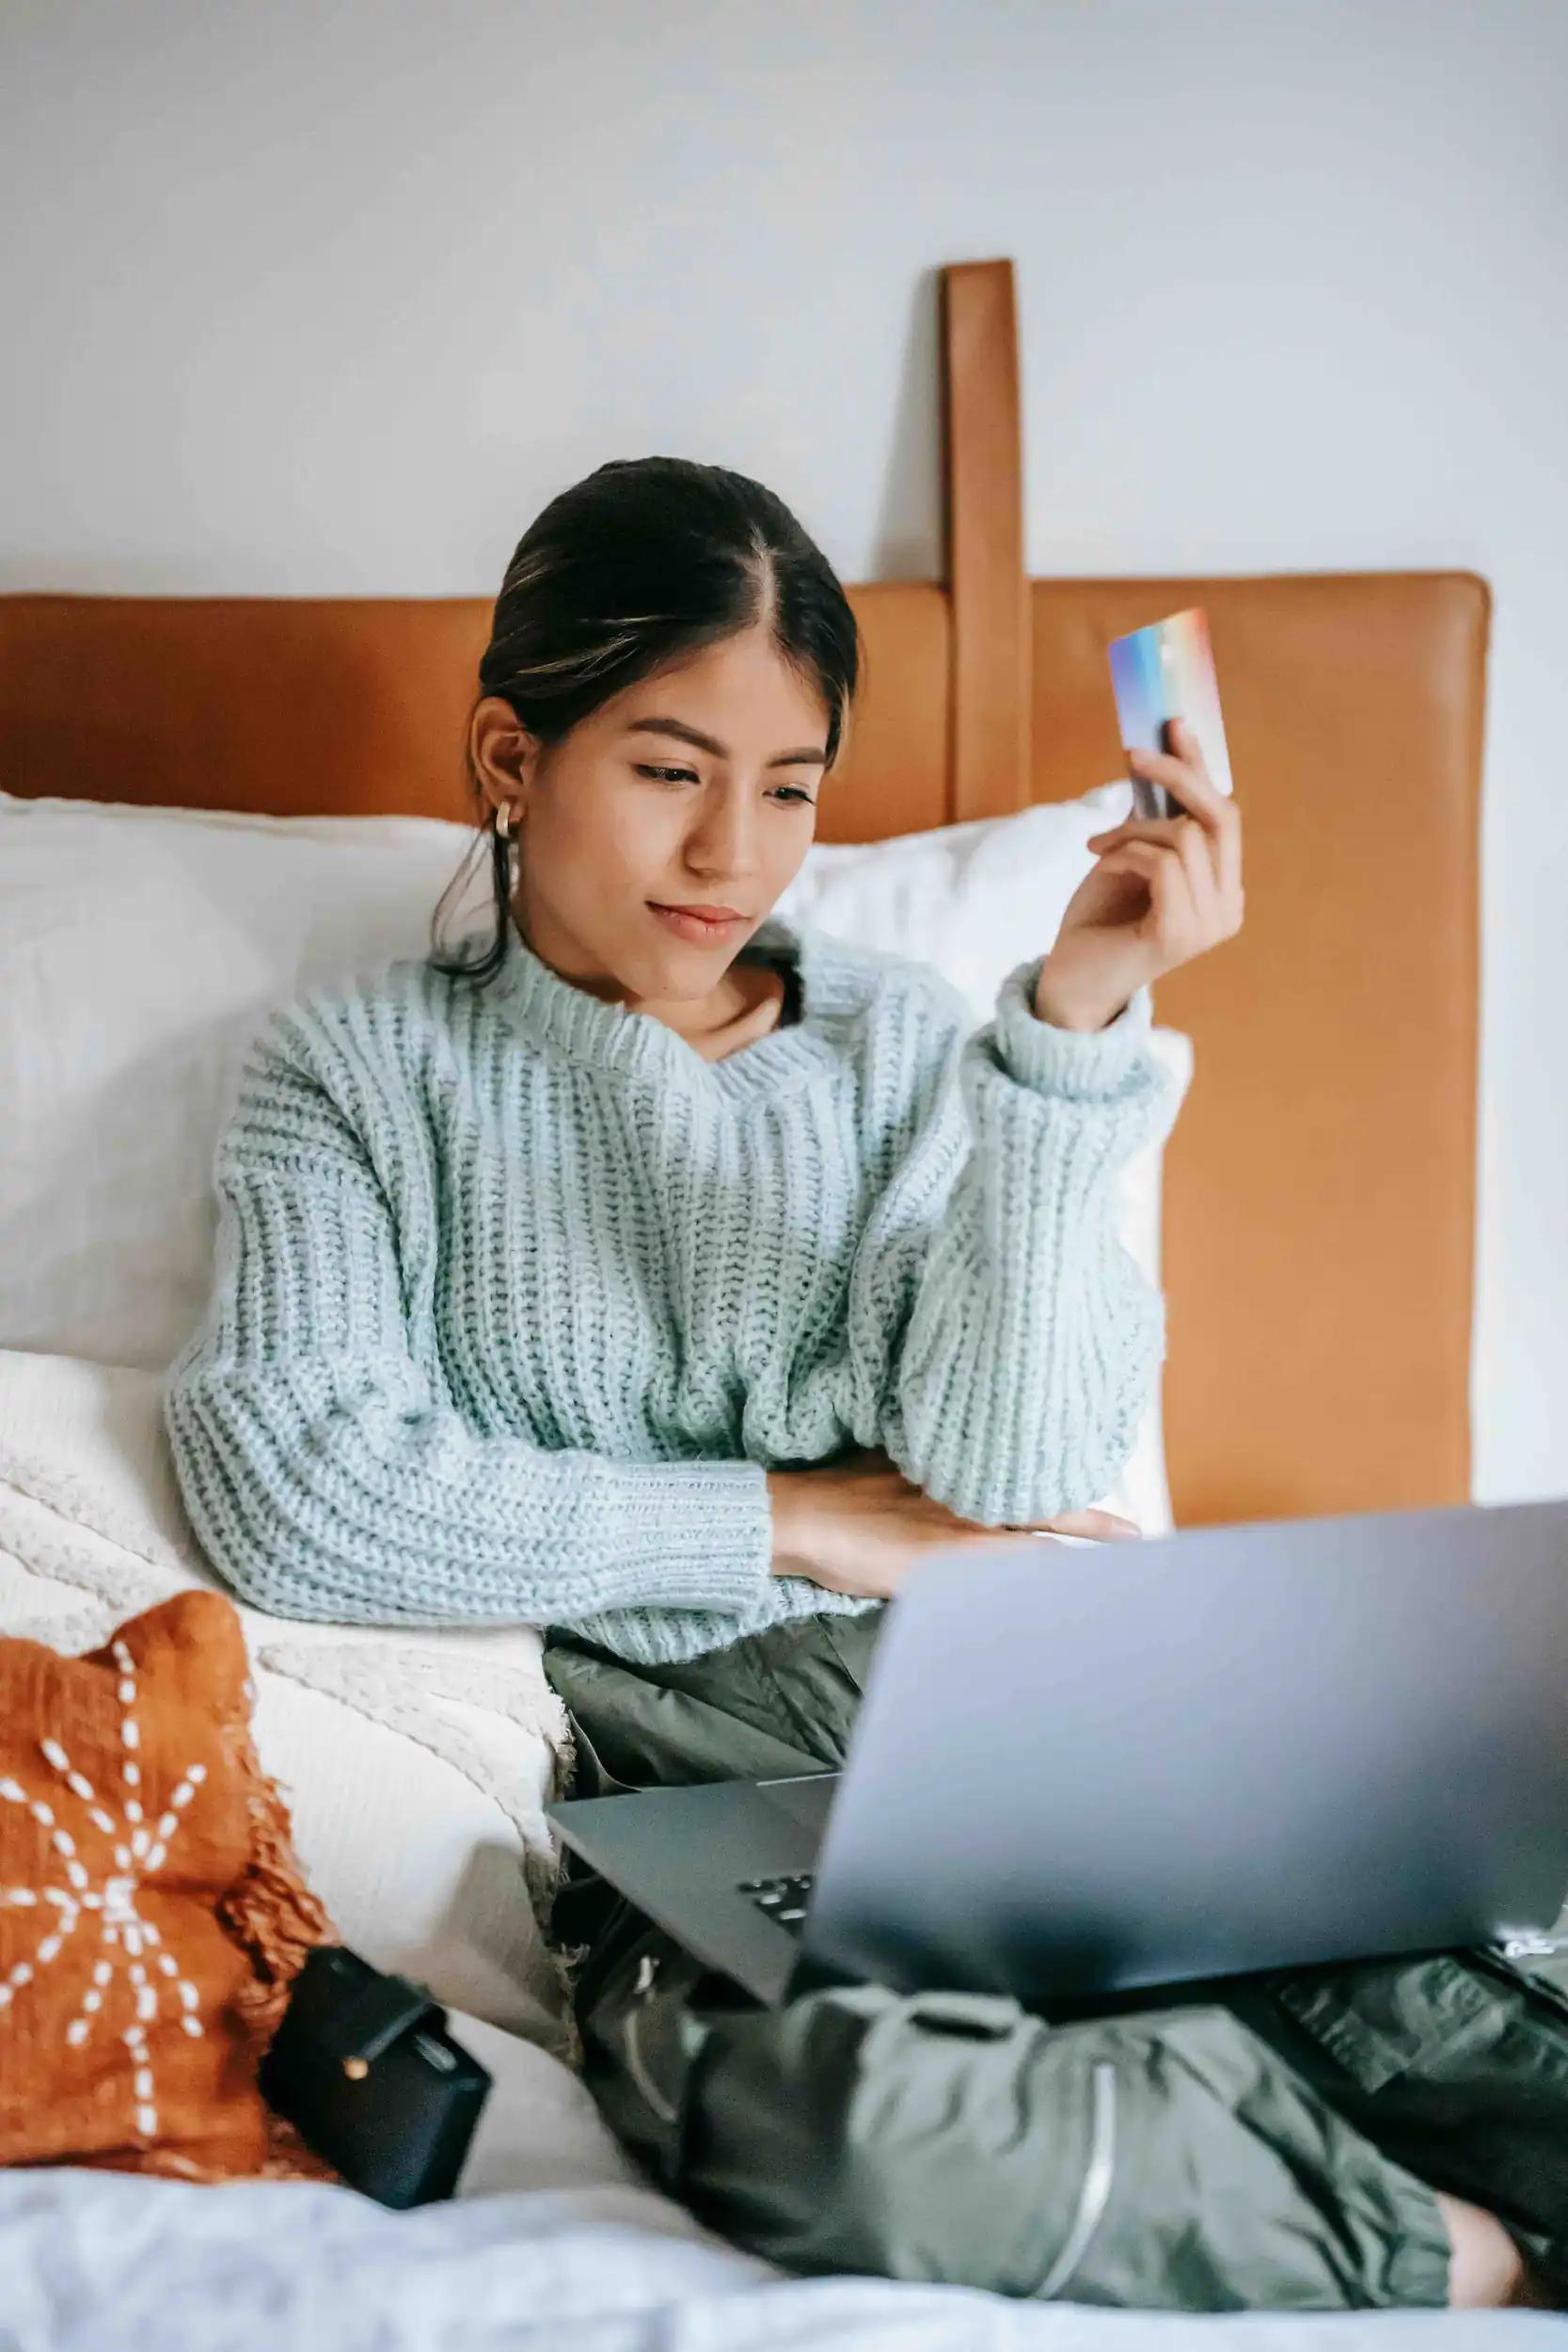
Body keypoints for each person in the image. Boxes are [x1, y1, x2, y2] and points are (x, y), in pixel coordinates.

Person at [163, 454, 1566, 2312]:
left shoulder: (907, 1045)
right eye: (670, 768)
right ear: (513, 755)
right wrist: (798, 1516)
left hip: (997, 1690)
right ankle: (1434, 2247)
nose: (733, 851)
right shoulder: (354, 1071)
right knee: (817, 2124)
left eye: (790, 786)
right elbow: (297, 1475)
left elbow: (1018, 1453)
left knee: (1429, 2001)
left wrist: (1068, 1037)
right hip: (663, 1759)